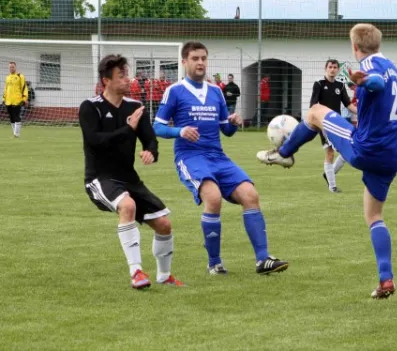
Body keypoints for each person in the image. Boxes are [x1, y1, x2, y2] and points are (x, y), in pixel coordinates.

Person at [257, 23, 397, 299]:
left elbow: (375, 82)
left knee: (316, 112)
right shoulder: (392, 66)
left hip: (366, 146)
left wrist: (364, 81)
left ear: (354, 47)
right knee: (374, 215)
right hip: (392, 152)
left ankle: (283, 154)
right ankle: (385, 279)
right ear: (378, 43)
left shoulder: (369, 67)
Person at [152, 41, 289, 276]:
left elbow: (226, 130)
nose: (200, 63)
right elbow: (157, 126)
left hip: (217, 156)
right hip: (190, 156)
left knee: (250, 195)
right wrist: (180, 131)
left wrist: (234, 123)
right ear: (184, 62)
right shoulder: (174, 91)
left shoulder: (216, 92)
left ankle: (263, 260)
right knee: (213, 198)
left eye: (203, 58)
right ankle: (214, 263)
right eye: (195, 58)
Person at [79, 54, 184, 290]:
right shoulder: (90, 107)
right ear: (106, 80)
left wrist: (151, 152)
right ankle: (136, 272)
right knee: (127, 206)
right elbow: (96, 142)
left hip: (129, 179)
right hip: (100, 177)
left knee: (164, 225)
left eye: (127, 73)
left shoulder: (135, 107)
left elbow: (150, 140)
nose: (129, 79)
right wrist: (128, 129)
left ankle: (164, 275)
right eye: (122, 75)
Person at [309, 59, 357, 193]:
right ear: (326, 68)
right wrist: (318, 122)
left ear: (337, 70)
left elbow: (348, 104)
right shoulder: (319, 84)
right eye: (330, 67)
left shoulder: (340, 86)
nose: (333, 69)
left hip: (337, 124)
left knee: (348, 150)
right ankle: (332, 187)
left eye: (335, 67)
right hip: (324, 124)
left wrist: (362, 113)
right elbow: (313, 105)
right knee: (330, 153)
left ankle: (328, 174)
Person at [3, 61, 28, 137]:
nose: (11, 68)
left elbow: (24, 87)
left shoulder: (20, 76)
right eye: (10, 67)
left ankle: (17, 134)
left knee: (16, 116)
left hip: (17, 100)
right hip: (8, 101)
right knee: (11, 117)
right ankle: (14, 133)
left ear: (15, 67)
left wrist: (24, 98)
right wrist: (4, 98)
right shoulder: (7, 77)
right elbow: (6, 89)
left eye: (12, 67)